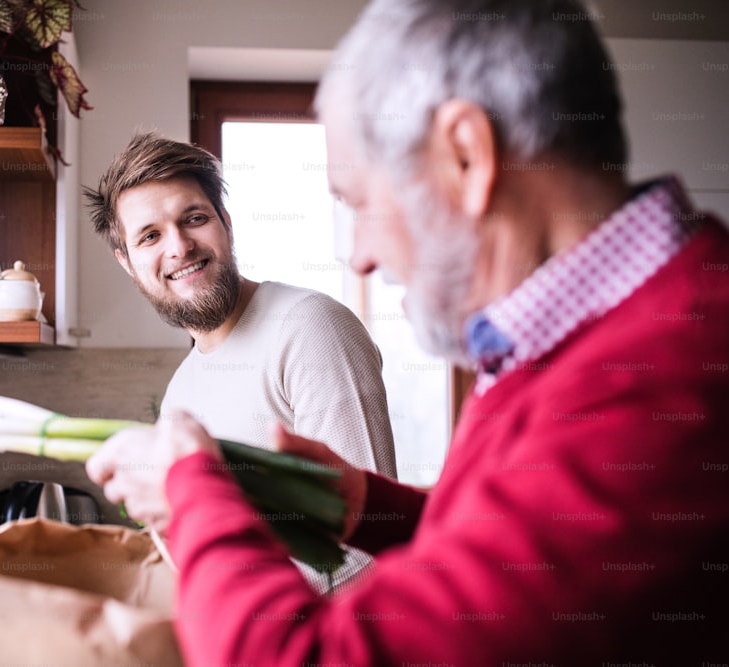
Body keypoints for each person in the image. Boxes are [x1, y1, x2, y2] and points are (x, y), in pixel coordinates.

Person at [86, 0, 729, 664]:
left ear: (467, 156)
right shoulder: (559, 338)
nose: (359, 255)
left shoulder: (666, 385)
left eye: (361, 202)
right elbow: (506, 561)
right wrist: (368, 506)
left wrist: (195, 488)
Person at [84, 132, 398, 592]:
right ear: (128, 262)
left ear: (225, 223)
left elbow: (366, 548)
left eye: (194, 219)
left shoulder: (309, 327)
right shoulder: (181, 392)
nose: (179, 247)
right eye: (150, 236)